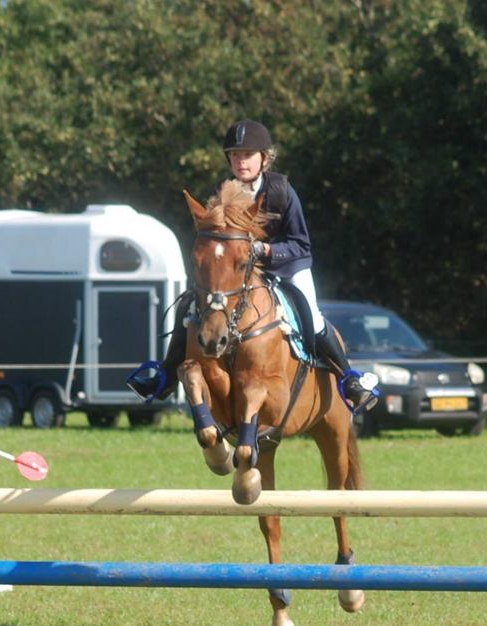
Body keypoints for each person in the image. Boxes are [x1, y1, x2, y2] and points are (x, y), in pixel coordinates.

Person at [127, 119, 379, 413]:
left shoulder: (282, 191)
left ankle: (349, 378)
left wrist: (266, 250)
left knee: (311, 314)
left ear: (264, 158)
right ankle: (166, 375)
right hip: (238, 273)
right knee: (189, 306)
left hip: (286, 267)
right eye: (235, 155)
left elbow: (301, 244)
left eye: (247, 155)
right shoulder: (221, 191)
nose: (241, 161)